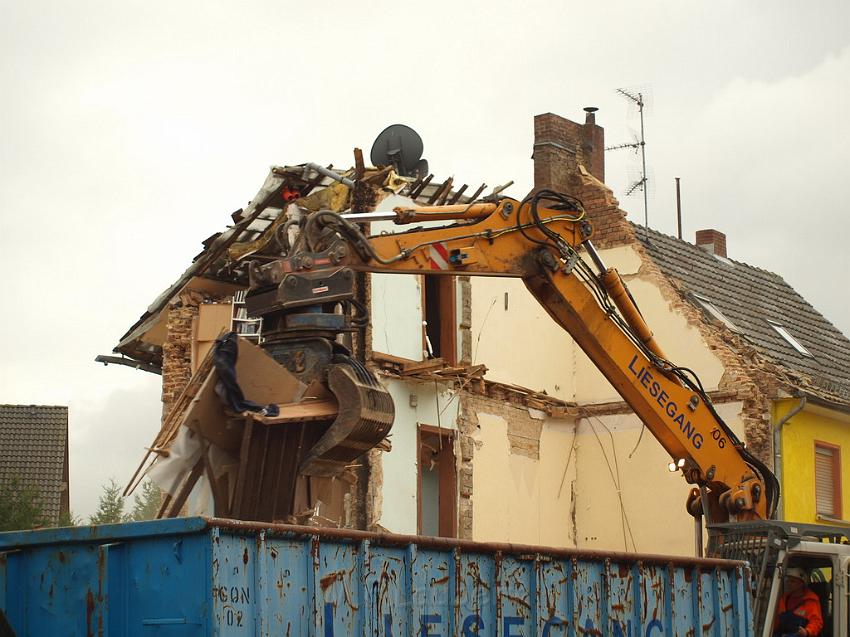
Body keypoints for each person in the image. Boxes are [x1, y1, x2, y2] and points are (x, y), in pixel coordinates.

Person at [773, 567, 824, 637]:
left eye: (792, 581)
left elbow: (816, 622)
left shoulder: (810, 601)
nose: (788, 583)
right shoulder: (784, 599)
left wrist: (807, 631)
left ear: (801, 584)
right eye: (788, 581)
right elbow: (777, 620)